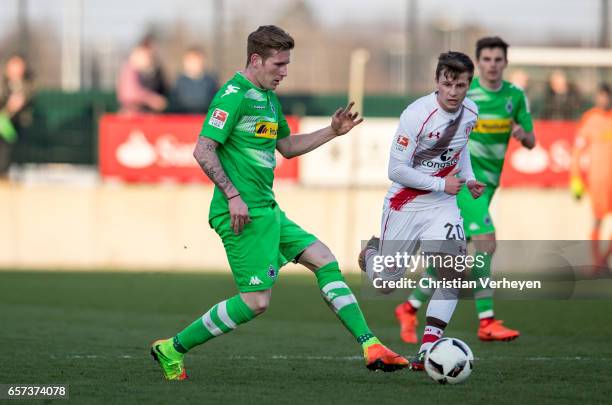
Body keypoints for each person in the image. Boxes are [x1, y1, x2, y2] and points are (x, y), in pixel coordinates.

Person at [150, 25, 408, 381]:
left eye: (287, 64)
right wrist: (234, 196)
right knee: (256, 302)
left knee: (324, 258)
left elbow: (286, 147)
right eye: (278, 64)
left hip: (267, 210)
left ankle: (371, 345)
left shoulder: (269, 98)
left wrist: (332, 131)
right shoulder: (233, 95)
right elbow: (202, 148)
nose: (284, 72)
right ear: (256, 60)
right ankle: (172, 348)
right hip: (240, 213)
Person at [395, 37, 535, 344]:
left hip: (487, 186)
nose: (492, 65)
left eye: (498, 59)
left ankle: (409, 306)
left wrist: (523, 134)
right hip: (460, 183)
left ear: (505, 63)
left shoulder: (515, 96)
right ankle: (486, 321)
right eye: (486, 59)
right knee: (486, 243)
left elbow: (531, 141)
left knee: (453, 260)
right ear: (478, 62)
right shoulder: (463, 95)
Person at [358, 51, 484, 370]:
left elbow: (461, 146)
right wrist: (443, 184)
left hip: (442, 206)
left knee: (454, 271)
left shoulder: (471, 111)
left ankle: (428, 350)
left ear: (470, 84)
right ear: (437, 81)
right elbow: (395, 170)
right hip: (405, 203)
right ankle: (372, 253)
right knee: (386, 284)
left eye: (461, 85)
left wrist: (467, 178)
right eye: (448, 84)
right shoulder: (416, 115)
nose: (454, 92)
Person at [570, 84, 612, 270]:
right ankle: (598, 263)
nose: (602, 100)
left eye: (606, 97)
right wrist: (576, 178)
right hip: (598, 180)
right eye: (600, 96)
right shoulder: (590, 118)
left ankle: (602, 260)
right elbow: (578, 150)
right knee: (597, 219)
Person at [0, 55, 34, 178]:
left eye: (18, 66)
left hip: (18, 123)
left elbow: (29, 97)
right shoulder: (3, 83)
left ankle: (6, 172)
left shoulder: (27, 85)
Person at [116, 45, 167, 113]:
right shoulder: (129, 70)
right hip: (132, 111)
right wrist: (152, 100)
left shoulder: (136, 71)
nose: (147, 61)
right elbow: (132, 93)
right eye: (145, 57)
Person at [170, 47, 219, 113]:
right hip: (182, 119)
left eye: (196, 61)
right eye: (190, 61)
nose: (193, 64)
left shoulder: (210, 82)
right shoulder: (179, 82)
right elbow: (173, 104)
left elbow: (216, 102)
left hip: (204, 118)